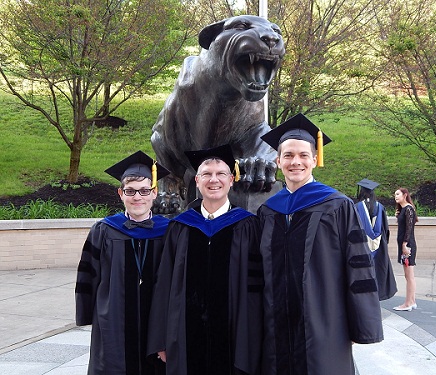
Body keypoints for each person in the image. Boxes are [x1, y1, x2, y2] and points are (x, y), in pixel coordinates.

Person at [258, 113, 383, 375]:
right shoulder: (268, 211)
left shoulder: (337, 205)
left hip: (325, 322)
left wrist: (360, 325)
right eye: (289, 155)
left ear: (315, 160)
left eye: (304, 155)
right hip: (275, 324)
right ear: (278, 160)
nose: (296, 162)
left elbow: (359, 266)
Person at [147, 144, 264, 375]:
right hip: (185, 336)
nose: (214, 180)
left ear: (232, 180)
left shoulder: (248, 226)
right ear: (197, 181)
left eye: (221, 174)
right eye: (206, 174)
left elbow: (256, 290)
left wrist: (253, 337)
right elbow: (164, 285)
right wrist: (161, 338)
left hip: (234, 338)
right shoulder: (180, 227)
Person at [75, 151, 170, 375]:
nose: (138, 197)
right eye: (130, 191)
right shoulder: (104, 230)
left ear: (154, 193)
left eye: (144, 191)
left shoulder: (170, 232)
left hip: (155, 320)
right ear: (120, 194)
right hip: (113, 320)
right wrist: (88, 314)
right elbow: (88, 275)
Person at [355, 178, 397, 301]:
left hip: (360, 245)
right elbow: (385, 230)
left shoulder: (357, 207)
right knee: (378, 269)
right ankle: (377, 295)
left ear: (361, 192)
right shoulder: (380, 207)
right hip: (379, 247)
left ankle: (363, 297)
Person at [393, 187, 419, 311]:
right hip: (405, 245)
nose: (396, 196)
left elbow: (408, 230)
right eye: (395, 195)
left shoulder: (408, 209)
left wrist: (404, 245)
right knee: (409, 275)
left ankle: (408, 303)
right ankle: (412, 301)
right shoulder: (404, 209)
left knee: (409, 276)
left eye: (398, 194)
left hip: (407, 246)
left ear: (405, 195)